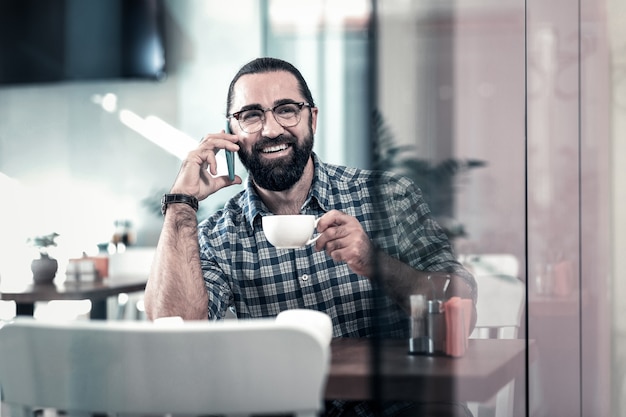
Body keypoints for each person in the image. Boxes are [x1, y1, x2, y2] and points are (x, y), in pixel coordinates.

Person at [145, 57, 477, 416]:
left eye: (286, 110)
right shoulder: (219, 236)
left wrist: (375, 263)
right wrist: (181, 203)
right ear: (231, 132)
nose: (271, 130)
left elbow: (461, 311)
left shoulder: (389, 195)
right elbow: (173, 336)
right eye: (251, 116)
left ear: (312, 119)